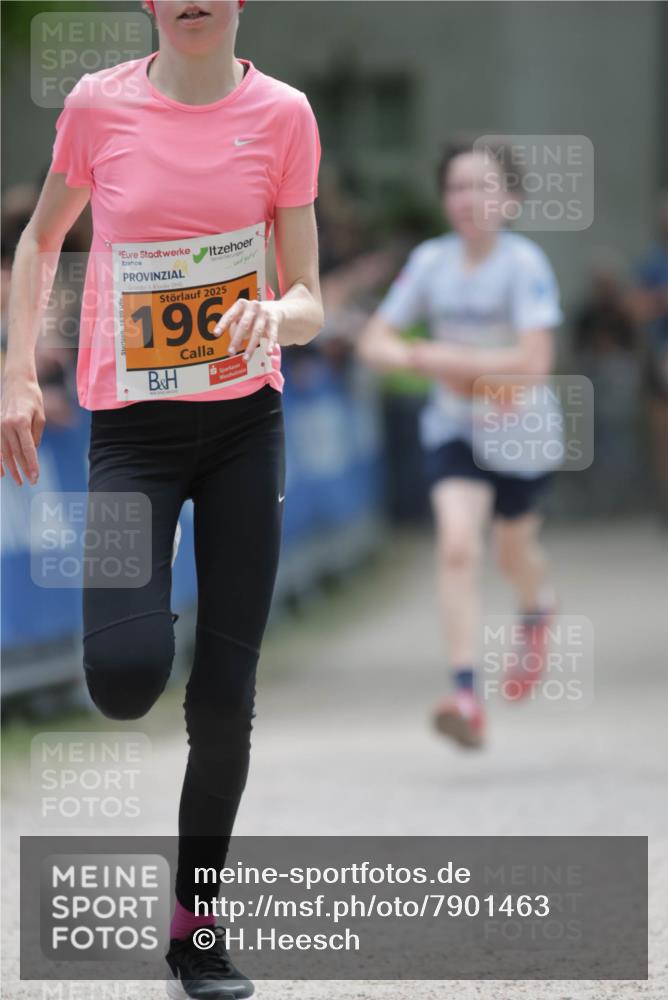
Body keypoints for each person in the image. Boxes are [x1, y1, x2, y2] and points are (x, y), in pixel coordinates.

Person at [1, 1, 323, 996]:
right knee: (125, 676)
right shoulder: (97, 107)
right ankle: (146, 603)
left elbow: (310, 295)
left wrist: (273, 312)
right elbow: (41, 239)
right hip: (130, 437)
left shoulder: (283, 115)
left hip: (244, 432)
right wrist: (18, 371)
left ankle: (197, 930)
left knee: (223, 698)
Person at [356, 138, 563, 749]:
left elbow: (534, 364)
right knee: (456, 547)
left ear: (511, 200)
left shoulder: (524, 265)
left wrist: (447, 358)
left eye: (484, 187)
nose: (469, 199)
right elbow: (375, 342)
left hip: (521, 434)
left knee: (512, 554)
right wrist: (424, 359)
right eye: (457, 187)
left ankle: (537, 608)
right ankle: (466, 696)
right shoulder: (430, 262)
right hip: (456, 429)